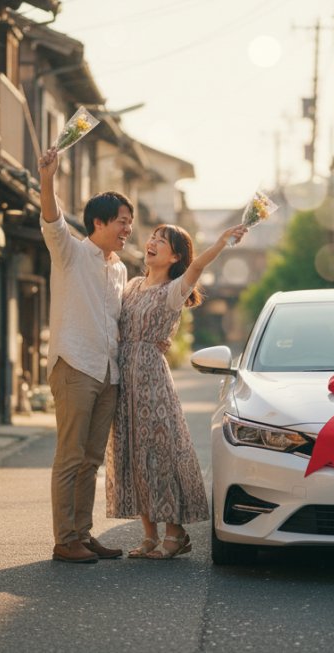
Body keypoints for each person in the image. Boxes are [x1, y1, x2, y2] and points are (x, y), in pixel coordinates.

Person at [105, 221, 248, 559]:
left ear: (174, 256)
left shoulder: (173, 289)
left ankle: (175, 532)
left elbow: (197, 267)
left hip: (152, 376)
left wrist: (222, 241)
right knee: (132, 452)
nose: (152, 242)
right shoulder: (133, 284)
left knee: (160, 451)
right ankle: (149, 535)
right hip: (124, 376)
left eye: (161, 240)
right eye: (152, 237)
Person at [39, 147, 133, 564]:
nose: (128, 229)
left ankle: (82, 532)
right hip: (75, 365)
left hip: (108, 371)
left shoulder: (120, 269)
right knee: (71, 457)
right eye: (123, 222)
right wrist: (47, 178)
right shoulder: (71, 252)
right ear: (99, 222)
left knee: (92, 460)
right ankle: (65, 540)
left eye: (130, 222)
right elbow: (52, 220)